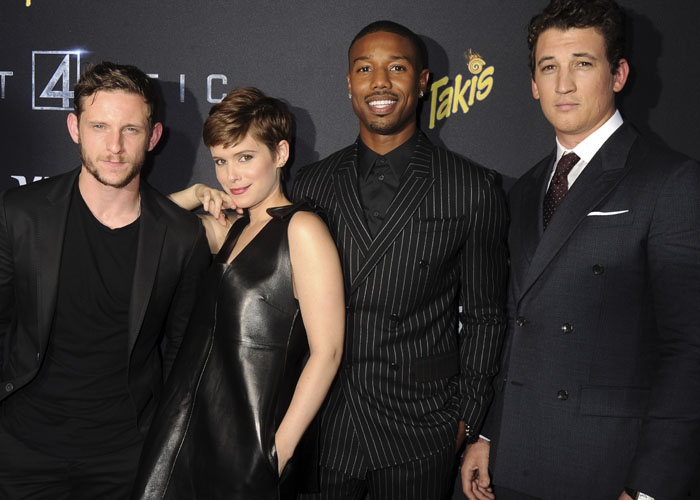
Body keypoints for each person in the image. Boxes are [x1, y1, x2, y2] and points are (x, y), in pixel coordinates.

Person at [461, 1, 700, 499]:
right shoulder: (524, 190)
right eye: (549, 68)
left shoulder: (670, 181)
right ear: (533, 84)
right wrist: (489, 432)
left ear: (619, 74)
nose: (563, 84)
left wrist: (651, 488)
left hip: (608, 470)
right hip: (515, 462)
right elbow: (517, 328)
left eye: (582, 64)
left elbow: (688, 350)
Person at [292, 20, 509, 499]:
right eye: (365, 69)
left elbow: (485, 315)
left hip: (421, 432)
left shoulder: (471, 188)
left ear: (424, 81)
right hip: (325, 427)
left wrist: (464, 422)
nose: (380, 82)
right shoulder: (309, 186)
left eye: (397, 67)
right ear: (349, 83)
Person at [0, 61, 211, 499]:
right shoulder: (20, 213)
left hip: (124, 457)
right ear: (75, 127)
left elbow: (180, 357)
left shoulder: (181, 236)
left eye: (130, 130)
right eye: (100, 126)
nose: (114, 146)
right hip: (22, 451)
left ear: (153, 137)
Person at [130, 87, 345, 499]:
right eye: (220, 162)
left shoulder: (303, 230)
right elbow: (139, 231)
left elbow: (328, 352)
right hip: (181, 431)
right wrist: (194, 194)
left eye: (245, 157)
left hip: (248, 446)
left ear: (280, 154)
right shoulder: (230, 229)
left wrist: (277, 452)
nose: (231, 176)